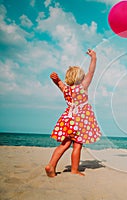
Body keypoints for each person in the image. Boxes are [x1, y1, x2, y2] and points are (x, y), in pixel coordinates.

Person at [45, 49, 101, 177]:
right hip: (79, 122)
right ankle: (74, 170)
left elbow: (58, 83)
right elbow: (91, 71)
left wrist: (56, 79)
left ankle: (51, 165)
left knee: (64, 144)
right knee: (77, 145)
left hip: (67, 121)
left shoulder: (66, 89)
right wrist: (94, 58)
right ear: (81, 78)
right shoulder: (83, 87)